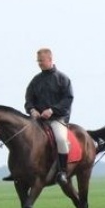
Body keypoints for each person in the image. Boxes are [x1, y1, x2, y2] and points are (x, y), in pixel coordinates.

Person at [24, 47, 74, 184]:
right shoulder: (35, 80)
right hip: (38, 120)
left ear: (50, 59)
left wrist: (52, 110)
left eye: (41, 60)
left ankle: (63, 172)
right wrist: (32, 110)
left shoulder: (63, 79)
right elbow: (28, 99)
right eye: (38, 61)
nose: (39, 63)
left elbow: (68, 100)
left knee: (61, 140)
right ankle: (20, 170)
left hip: (57, 119)